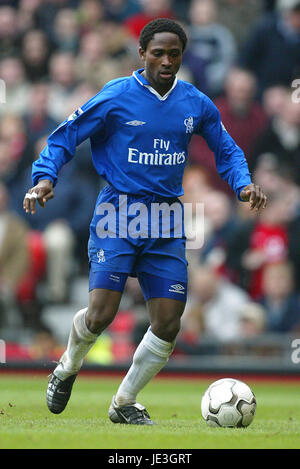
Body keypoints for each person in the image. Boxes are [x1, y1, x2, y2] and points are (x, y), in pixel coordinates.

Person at [23, 18, 267, 425]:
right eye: (159, 53)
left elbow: (227, 149)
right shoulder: (116, 95)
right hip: (119, 211)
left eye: (174, 54)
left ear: (182, 56)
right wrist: (44, 178)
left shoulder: (196, 103)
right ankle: (66, 367)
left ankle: (124, 402)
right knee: (101, 314)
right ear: (142, 54)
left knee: (169, 322)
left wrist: (243, 184)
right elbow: (65, 135)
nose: (167, 60)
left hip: (168, 217)